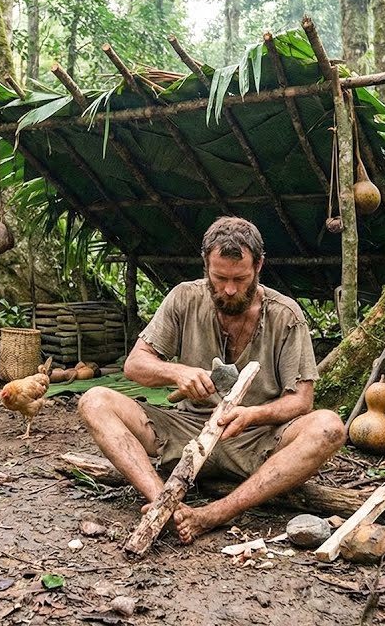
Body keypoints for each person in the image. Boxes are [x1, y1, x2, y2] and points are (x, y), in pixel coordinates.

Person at [78, 216, 345, 543]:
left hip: (255, 439)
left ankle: (213, 514)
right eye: (219, 278)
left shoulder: (286, 315)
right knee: (94, 401)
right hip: (187, 431)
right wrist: (177, 372)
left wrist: (252, 415)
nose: (230, 289)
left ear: (259, 266)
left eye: (240, 279)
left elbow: (302, 400)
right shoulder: (184, 298)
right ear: (205, 265)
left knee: (329, 427)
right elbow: (135, 365)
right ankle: (164, 503)